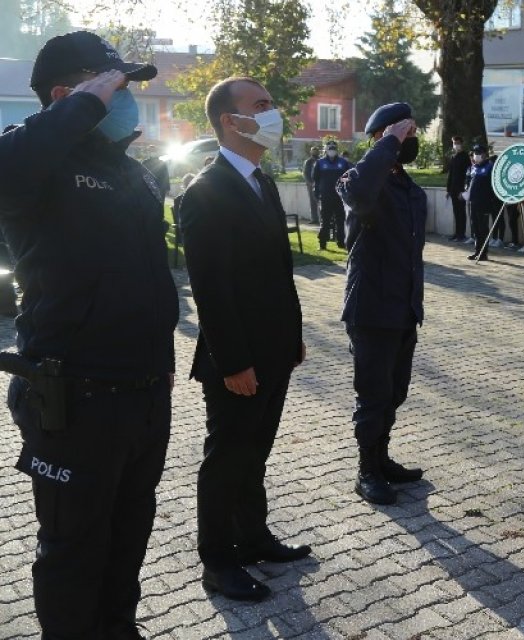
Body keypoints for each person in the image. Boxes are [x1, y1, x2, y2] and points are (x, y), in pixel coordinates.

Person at [0, 31, 179, 638]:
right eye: (116, 85)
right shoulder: (32, 165)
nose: (127, 98)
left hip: (146, 391)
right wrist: (81, 105)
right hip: (74, 399)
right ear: (63, 94)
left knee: (128, 540)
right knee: (73, 552)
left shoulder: (132, 174)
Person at [182, 76, 310, 603]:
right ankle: (218, 559)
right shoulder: (206, 191)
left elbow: (280, 270)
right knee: (227, 457)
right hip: (236, 360)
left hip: (274, 349)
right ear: (230, 122)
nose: (273, 112)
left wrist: (293, 335)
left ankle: (253, 537)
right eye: (261, 105)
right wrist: (233, 362)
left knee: (255, 452)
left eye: (271, 101)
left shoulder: (262, 181)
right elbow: (210, 289)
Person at [336, 103, 428, 505]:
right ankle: (366, 470)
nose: (409, 140)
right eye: (401, 135)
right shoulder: (358, 183)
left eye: (410, 134)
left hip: (404, 308)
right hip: (371, 309)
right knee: (372, 395)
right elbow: (358, 192)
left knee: (394, 392)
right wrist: (389, 140)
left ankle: (383, 457)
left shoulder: (412, 191)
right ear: (379, 140)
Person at [313, 141, 353, 250]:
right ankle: (322, 243)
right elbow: (316, 179)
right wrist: (316, 193)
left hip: (339, 197)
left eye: (333, 148)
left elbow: (347, 177)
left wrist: (344, 189)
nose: (331, 150)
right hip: (326, 197)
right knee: (325, 220)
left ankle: (341, 242)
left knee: (340, 220)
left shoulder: (343, 163)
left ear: (336, 150)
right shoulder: (320, 163)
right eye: (329, 148)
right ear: (326, 150)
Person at [466, 145, 499, 261]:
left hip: (484, 203)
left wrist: (491, 201)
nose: (476, 155)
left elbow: (493, 186)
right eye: (475, 153)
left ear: (484, 154)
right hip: (473, 202)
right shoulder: (474, 167)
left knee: (482, 228)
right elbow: (469, 181)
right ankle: (477, 251)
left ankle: (483, 253)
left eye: (478, 153)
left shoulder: (490, 167)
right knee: (475, 228)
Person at [446, 134, 470, 242]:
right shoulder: (453, 157)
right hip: (453, 189)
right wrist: (448, 189)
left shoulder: (465, 157)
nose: (456, 145)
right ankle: (456, 233)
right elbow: (450, 174)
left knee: (461, 211)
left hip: (461, 189)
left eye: (458, 143)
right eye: (454, 143)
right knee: (456, 212)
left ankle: (462, 234)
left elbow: (467, 175)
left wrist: (464, 190)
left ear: (462, 144)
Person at [302, 145, 320, 224]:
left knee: (320, 202)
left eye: (316, 150)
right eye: (313, 150)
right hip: (311, 185)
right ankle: (314, 219)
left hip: (320, 185)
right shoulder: (308, 161)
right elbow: (305, 173)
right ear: (311, 152)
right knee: (312, 202)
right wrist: (310, 183)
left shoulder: (321, 160)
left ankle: (322, 219)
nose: (314, 152)